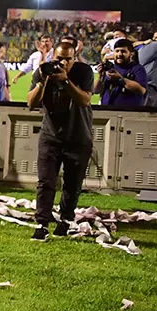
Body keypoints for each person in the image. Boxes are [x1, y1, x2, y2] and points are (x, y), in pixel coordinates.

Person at [26, 38, 94, 241]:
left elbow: (85, 100)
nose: (63, 63)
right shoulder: (42, 72)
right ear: (51, 57)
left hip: (78, 135)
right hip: (51, 136)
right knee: (45, 181)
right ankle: (41, 224)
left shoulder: (83, 72)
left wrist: (65, 80)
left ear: (74, 58)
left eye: (68, 59)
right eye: (59, 59)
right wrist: (44, 80)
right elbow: (31, 103)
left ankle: (65, 220)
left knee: (72, 184)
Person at [95, 38, 147, 107]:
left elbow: (142, 90)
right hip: (107, 110)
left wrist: (120, 79)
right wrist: (100, 76)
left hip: (128, 112)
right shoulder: (110, 68)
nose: (119, 54)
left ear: (131, 54)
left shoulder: (138, 69)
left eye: (123, 51)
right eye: (117, 51)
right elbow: (95, 90)